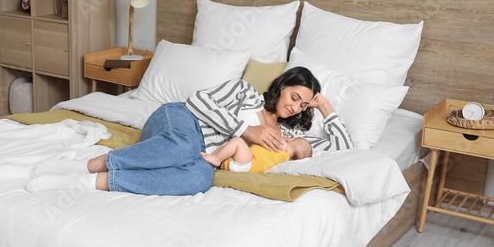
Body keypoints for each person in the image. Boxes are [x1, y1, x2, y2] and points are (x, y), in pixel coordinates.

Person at [26, 65, 351, 195]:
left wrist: (325, 108)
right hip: (180, 118)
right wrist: (246, 131)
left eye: (302, 105)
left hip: (202, 152)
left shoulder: (288, 137)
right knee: (182, 146)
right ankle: (86, 163)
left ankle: (89, 182)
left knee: (197, 179)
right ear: (282, 87)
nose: (295, 107)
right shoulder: (243, 92)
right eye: (294, 97)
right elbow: (197, 101)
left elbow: (347, 148)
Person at [202, 136, 312, 172]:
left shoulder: (283, 147)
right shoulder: (283, 159)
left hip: (247, 163)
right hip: (242, 166)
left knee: (237, 141)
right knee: (225, 148)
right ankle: (212, 159)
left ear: (291, 139)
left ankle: (216, 158)